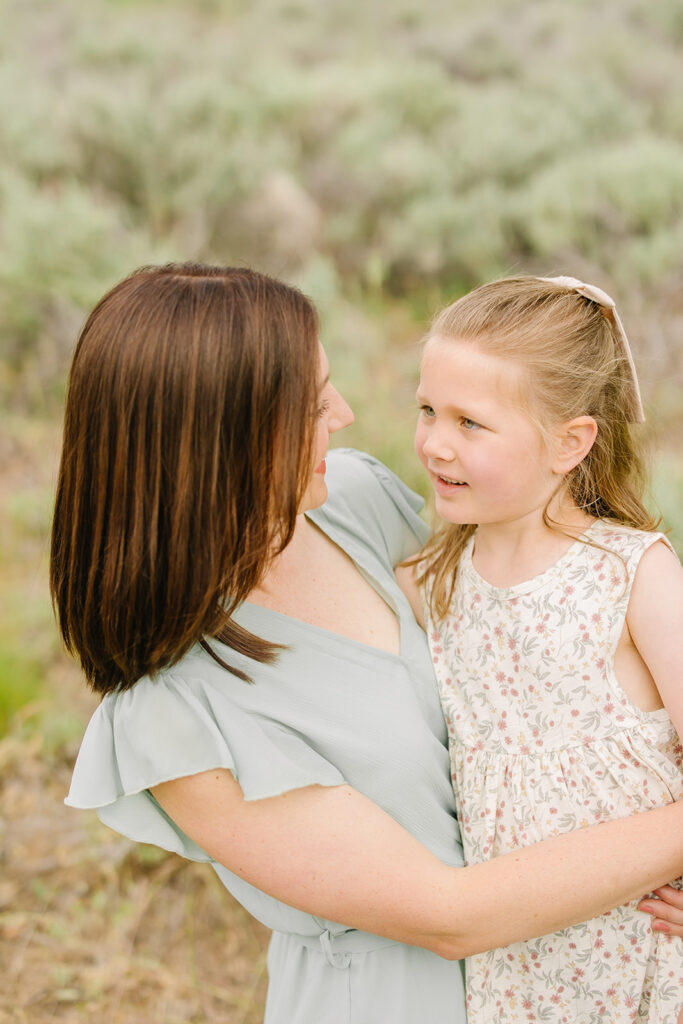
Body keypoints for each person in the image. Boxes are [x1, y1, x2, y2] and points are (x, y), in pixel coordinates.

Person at [53, 264, 683, 1024]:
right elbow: (449, 913)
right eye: (314, 404)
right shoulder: (174, 714)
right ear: (223, 435)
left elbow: (522, 619)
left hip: (581, 973)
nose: (346, 415)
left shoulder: (352, 501)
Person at [398, 275, 683, 1023]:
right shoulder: (438, 577)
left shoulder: (633, 574)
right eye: (427, 410)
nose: (434, 442)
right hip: (515, 956)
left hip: (642, 949)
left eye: (470, 423)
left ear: (570, 442)